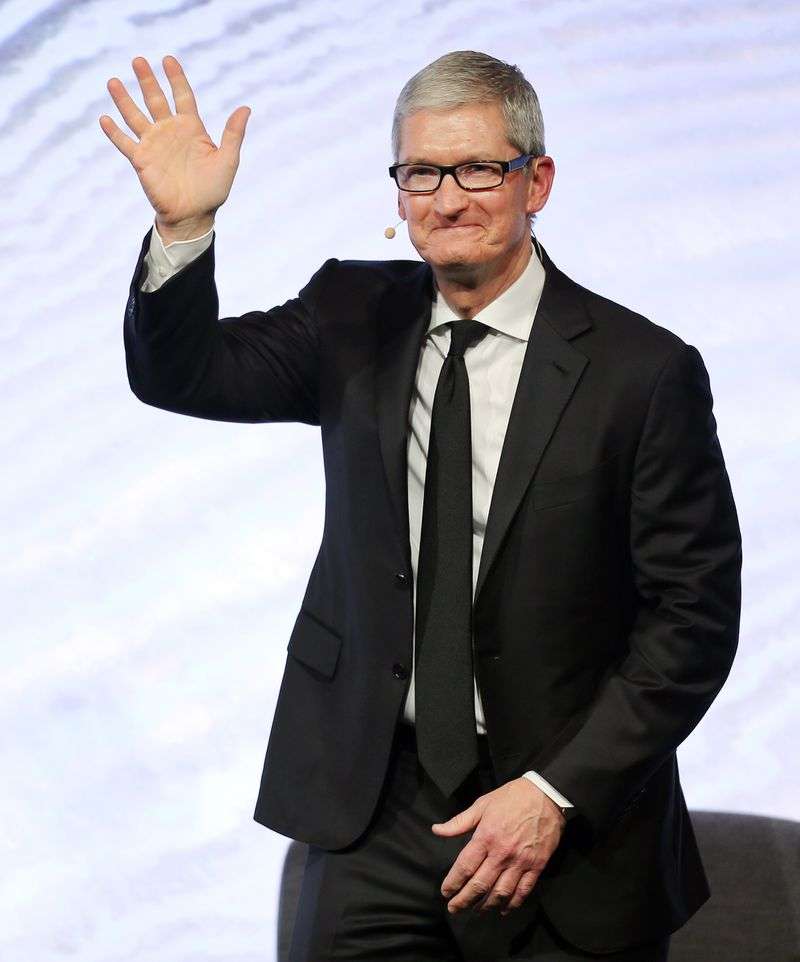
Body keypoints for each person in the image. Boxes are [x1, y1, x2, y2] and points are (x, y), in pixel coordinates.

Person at [101, 50, 742, 961]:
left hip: (558, 819)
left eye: (479, 169)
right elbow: (182, 370)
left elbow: (695, 621)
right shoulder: (350, 311)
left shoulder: (643, 374)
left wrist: (554, 793)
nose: (447, 200)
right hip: (374, 803)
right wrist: (184, 224)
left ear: (537, 181)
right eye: (421, 174)